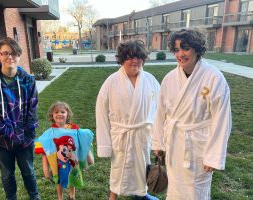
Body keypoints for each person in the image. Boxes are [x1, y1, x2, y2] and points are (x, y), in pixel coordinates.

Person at [152, 29, 232, 200]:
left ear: (196, 48)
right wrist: (158, 142)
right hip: (174, 144)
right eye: (176, 50)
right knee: (175, 189)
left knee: (196, 191)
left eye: (185, 48)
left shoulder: (214, 78)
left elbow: (222, 119)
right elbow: (160, 113)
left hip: (198, 148)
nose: (180, 54)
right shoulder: (170, 78)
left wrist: (213, 156)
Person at [96, 40, 160, 200]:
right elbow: (101, 114)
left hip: (142, 136)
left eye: (139, 57)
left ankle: (142, 195)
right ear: (122, 59)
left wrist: (160, 140)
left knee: (141, 169)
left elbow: (161, 112)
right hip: (121, 136)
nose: (135, 61)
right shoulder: (111, 82)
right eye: (130, 57)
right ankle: (113, 197)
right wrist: (105, 144)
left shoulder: (151, 81)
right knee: (118, 172)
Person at [0, 37, 40, 200]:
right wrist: (10, 134)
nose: (9, 57)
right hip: (0, 141)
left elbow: (32, 111)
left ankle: (35, 197)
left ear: (19, 55)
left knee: (28, 171)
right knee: (7, 175)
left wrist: (26, 134)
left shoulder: (28, 80)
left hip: (24, 139)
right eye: (5, 53)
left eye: (13, 53)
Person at [35, 101, 94, 200]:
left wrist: (88, 157)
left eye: (62, 112)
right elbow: (45, 151)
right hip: (58, 164)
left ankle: (72, 195)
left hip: (72, 162)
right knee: (59, 181)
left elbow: (83, 141)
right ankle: (60, 197)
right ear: (52, 115)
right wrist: (45, 169)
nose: (59, 114)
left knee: (72, 178)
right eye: (56, 112)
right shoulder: (49, 133)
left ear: (67, 114)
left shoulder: (74, 129)